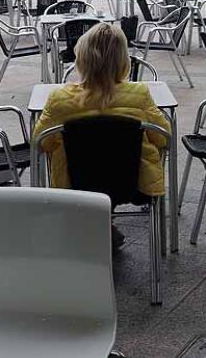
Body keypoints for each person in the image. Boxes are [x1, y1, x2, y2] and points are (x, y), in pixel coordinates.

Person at [32, 23, 169, 252]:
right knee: (114, 172)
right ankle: (103, 228)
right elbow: (164, 137)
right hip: (132, 183)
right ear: (124, 60)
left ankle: (97, 228)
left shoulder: (59, 99)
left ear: (81, 59)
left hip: (76, 184)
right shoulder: (140, 95)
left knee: (85, 171)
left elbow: (41, 141)